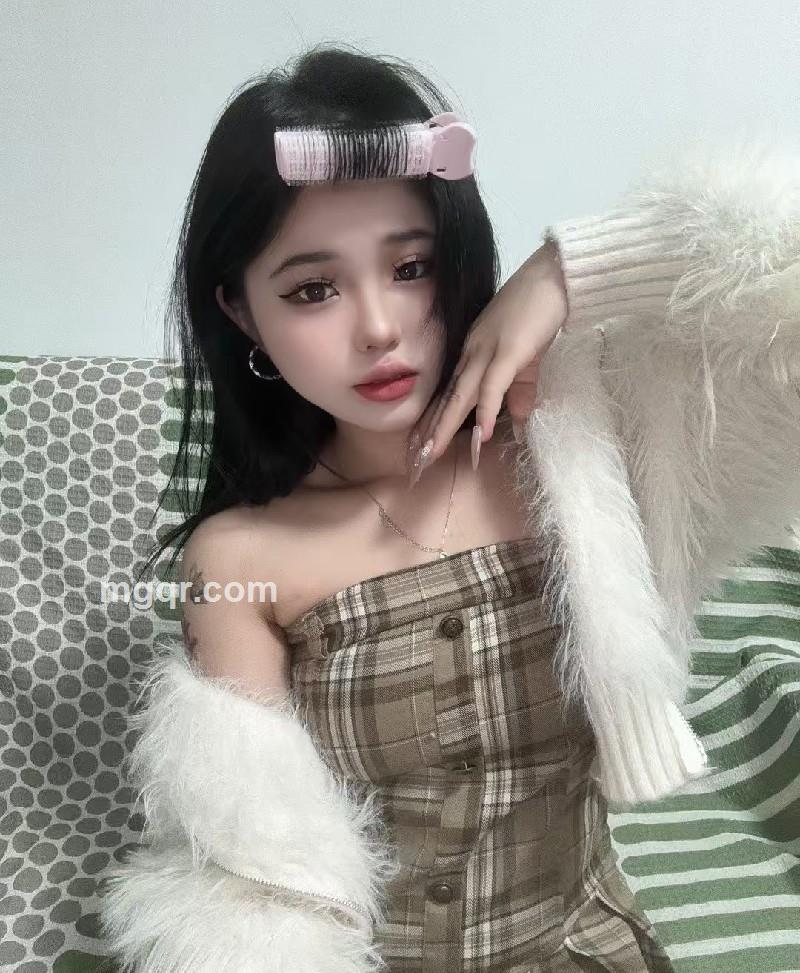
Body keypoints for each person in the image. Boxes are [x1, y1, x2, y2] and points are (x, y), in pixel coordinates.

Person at [97, 43, 800, 973]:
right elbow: (259, 880)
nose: (379, 326)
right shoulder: (238, 559)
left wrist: (564, 273)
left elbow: (778, 279)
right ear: (241, 314)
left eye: (412, 266)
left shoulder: (580, 449)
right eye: (313, 289)